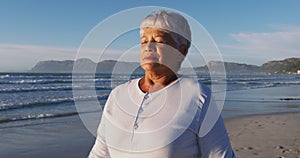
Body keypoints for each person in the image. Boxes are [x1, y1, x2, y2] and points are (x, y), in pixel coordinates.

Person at [88, 10, 235, 158]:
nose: (149, 46)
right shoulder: (118, 94)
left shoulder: (197, 96)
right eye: (144, 41)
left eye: (159, 41)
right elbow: (99, 153)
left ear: (181, 51)